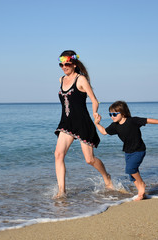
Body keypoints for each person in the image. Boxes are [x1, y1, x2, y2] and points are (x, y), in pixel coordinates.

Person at [54, 50, 113, 198]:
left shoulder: (81, 80)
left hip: (82, 122)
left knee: (89, 159)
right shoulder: (61, 79)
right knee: (58, 155)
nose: (64, 67)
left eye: (67, 64)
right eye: (61, 64)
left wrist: (95, 113)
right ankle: (62, 191)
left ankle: (107, 177)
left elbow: (94, 99)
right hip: (66, 123)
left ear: (74, 64)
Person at [94, 101, 158, 201]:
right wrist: (97, 123)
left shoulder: (133, 121)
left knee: (130, 169)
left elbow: (148, 120)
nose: (112, 116)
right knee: (131, 175)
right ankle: (141, 192)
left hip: (139, 150)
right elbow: (104, 132)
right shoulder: (115, 126)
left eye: (114, 114)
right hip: (128, 152)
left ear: (122, 113)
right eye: (110, 114)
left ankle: (142, 185)